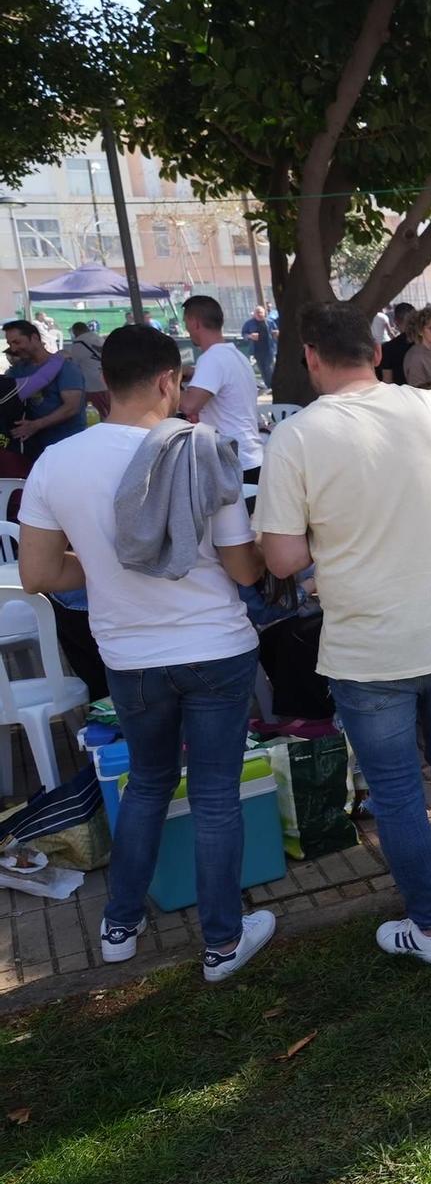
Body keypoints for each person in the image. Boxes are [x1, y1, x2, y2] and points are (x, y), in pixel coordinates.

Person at [17, 324, 275, 981]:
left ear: (106, 385)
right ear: (167, 381)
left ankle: (118, 928)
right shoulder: (204, 450)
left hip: (129, 658)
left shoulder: (56, 463)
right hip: (216, 647)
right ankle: (222, 942)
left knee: (148, 784)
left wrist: (106, 570)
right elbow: (244, 572)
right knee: (216, 792)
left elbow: (39, 574)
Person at [256, 302, 431, 965]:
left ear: (310, 356)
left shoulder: (297, 436)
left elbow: (280, 559)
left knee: (395, 788)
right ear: (378, 351)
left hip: (370, 643)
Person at [2, 320, 86, 461]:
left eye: (17, 342)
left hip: (66, 443)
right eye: (10, 344)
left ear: (34, 338)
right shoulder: (16, 371)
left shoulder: (66, 367)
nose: (14, 349)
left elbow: (72, 407)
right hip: (32, 448)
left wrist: (36, 425)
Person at [61, 321, 107, 414]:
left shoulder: (79, 343)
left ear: (76, 331)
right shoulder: (99, 338)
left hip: (92, 385)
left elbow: (74, 364)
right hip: (106, 379)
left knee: (96, 413)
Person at [375, 302, 416, 385]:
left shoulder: (388, 348)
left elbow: (387, 381)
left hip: (401, 394)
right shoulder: (427, 342)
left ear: (396, 322)